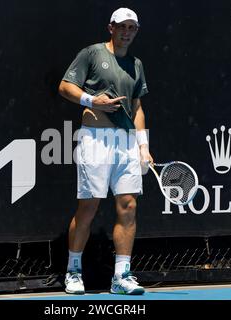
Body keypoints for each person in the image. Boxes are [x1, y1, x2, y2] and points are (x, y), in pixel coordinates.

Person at [58, 7, 153, 295]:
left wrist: (143, 146)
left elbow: (137, 108)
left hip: (126, 143)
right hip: (95, 139)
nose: (127, 32)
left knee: (129, 206)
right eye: (122, 26)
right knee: (89, 207)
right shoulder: (92, 53)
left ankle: (121, 277)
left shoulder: (136, 64)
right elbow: (64, 87)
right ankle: (74, 270)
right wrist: (91, 100)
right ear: (110, 28)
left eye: (132, 28)